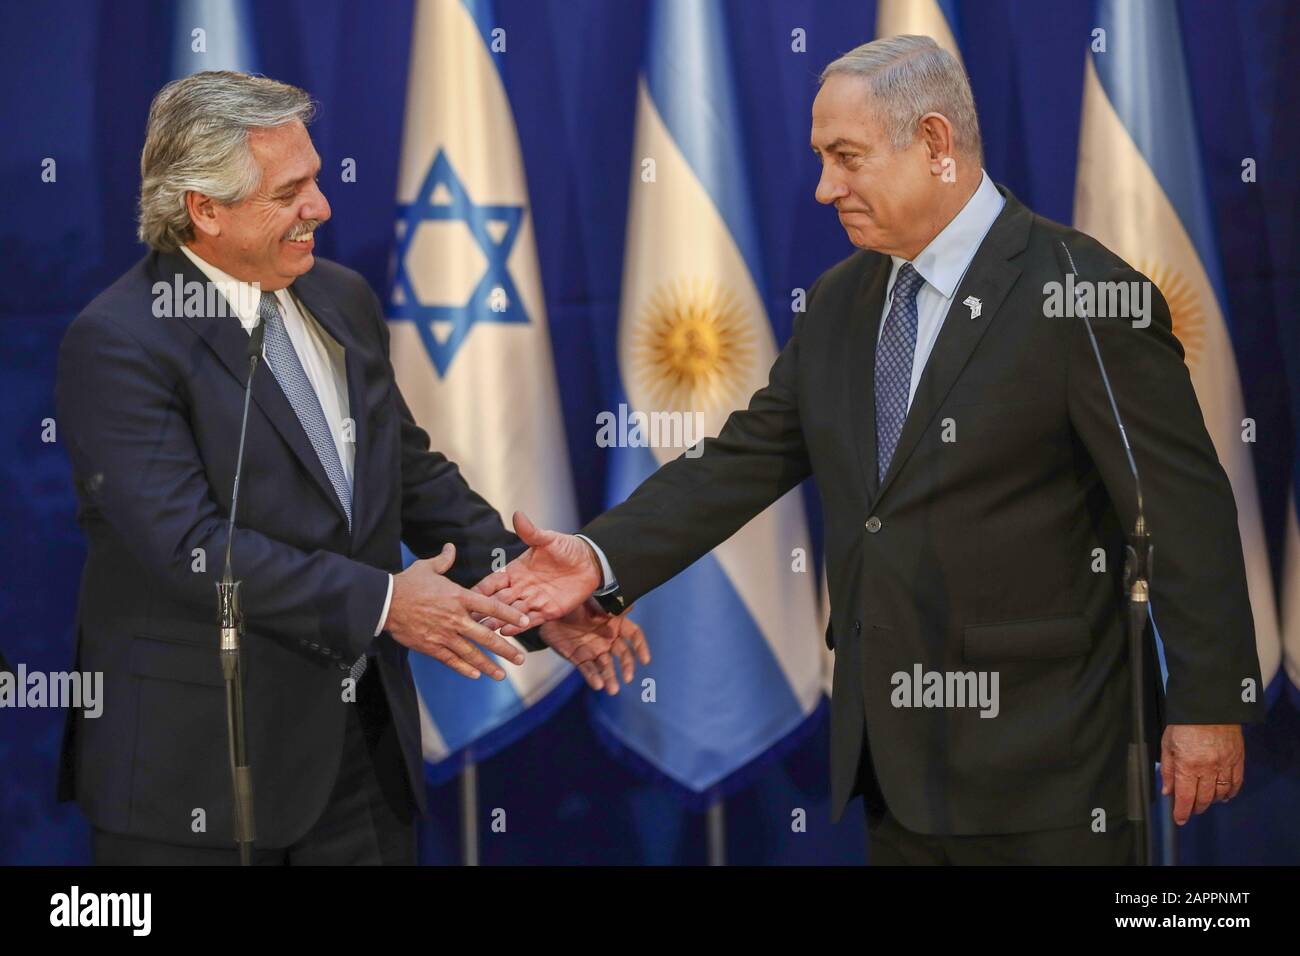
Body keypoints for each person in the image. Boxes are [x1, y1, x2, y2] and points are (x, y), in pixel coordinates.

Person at [478, 36, 1263, 865]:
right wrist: (598, 557)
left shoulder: (1080, 291)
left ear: (934, 142)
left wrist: (1208, 704)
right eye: (820, 158)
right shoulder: (841, 300)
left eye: (845, 157)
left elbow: (1179, 506)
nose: (825, 188)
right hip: (893, 764)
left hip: (1053, 764)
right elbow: (744, 460)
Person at [55, 71, 647, 865]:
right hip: (198, 773)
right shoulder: (121, 341)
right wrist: (383, 602)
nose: (321, 208)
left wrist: (534, 599)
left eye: (317, 180)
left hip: (361, 759)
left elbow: (408, 475)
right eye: (289, 191)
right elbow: (185, 547)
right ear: (205, 209)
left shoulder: (341, 298)